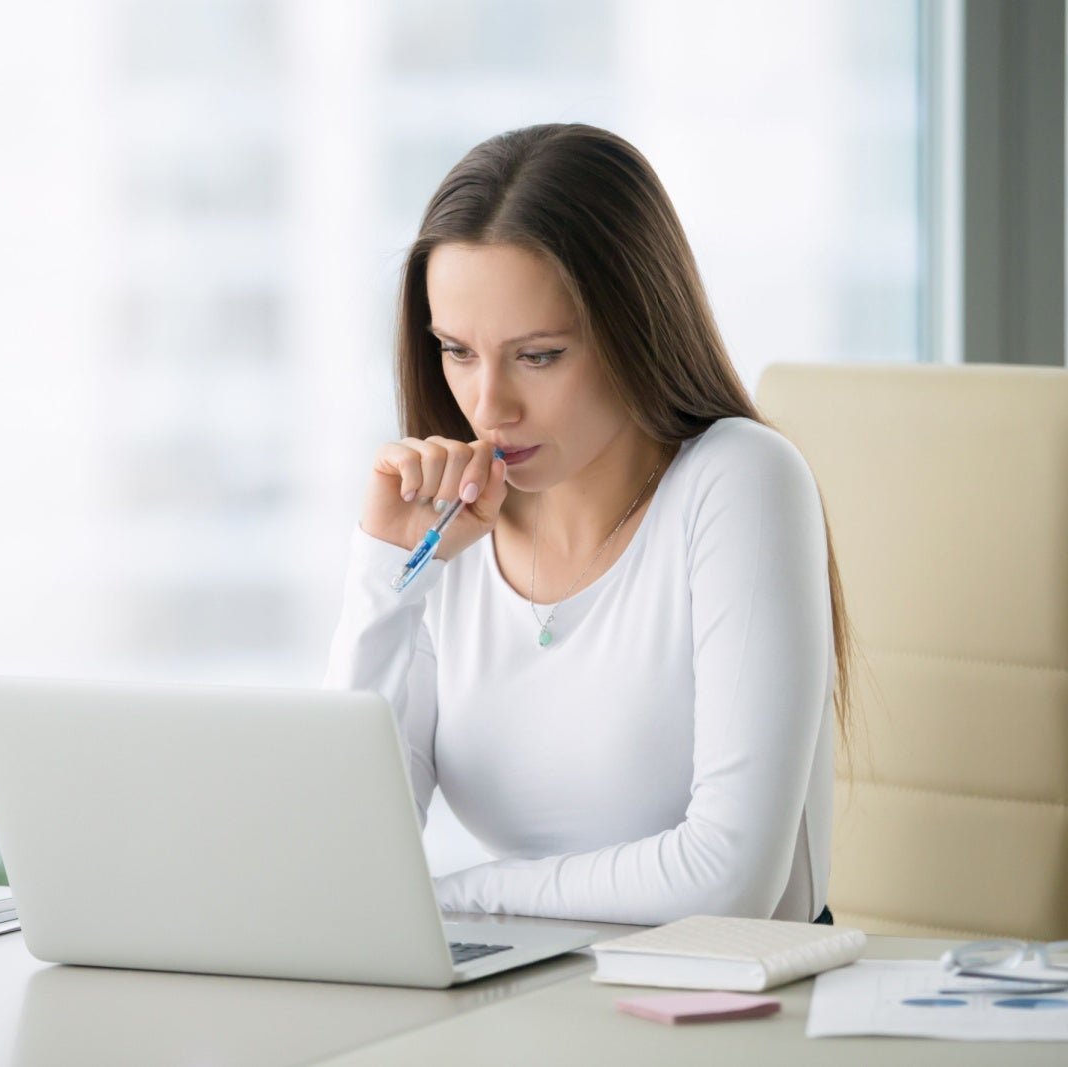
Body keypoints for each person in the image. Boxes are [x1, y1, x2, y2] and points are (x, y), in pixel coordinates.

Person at [324, 124, 853, 927]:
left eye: (538, 355)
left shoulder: (741, 479)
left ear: (635, 326)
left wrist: (461, 899)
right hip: (521, 1009)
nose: (489, 406)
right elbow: (343, 855)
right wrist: (387, 571)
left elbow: (728, 879)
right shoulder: (456, 525)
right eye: (457, 351)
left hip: (730, 1018)